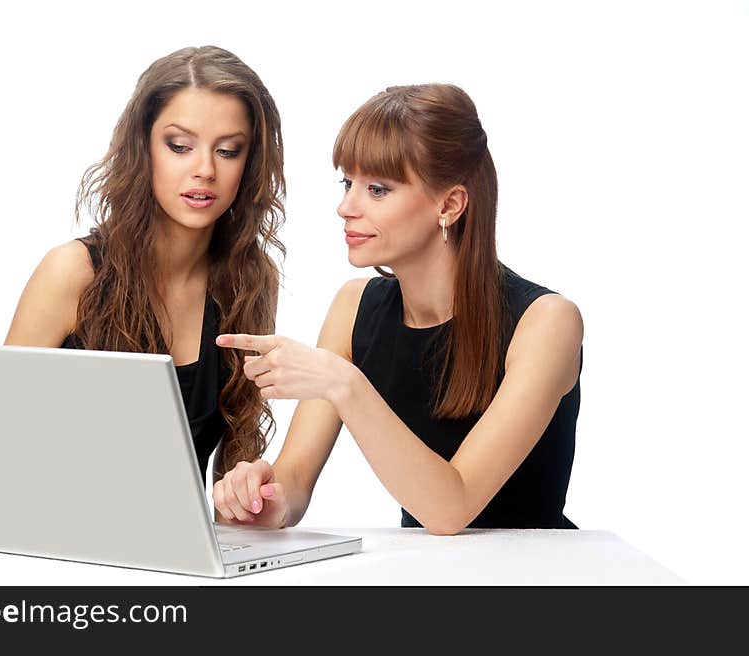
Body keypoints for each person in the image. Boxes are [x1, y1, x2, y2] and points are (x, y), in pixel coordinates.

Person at [213, 83, 583, 534]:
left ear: (449, 204)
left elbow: (452, 508)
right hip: (424, 575)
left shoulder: (547, 322)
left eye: (378, 189)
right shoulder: (353, 307)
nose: (345, 206)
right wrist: (263, 497)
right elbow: (294, 483)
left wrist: (344, 383)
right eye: (348, 183)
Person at [5, 46, 285, 486]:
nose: (205, 170)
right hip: (62, 542)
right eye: (180, 146)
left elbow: (235, 462)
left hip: (183, 549)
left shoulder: (250, 281)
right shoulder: (73, 272)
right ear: (144, 146)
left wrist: (250, 501)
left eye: (229, 151)